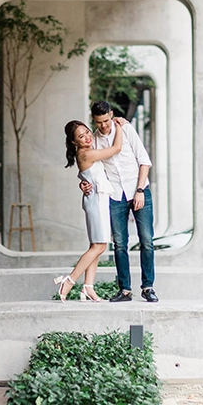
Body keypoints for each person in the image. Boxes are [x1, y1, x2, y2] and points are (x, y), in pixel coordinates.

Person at [82, 101, 158, 303]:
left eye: (106, 120)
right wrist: (83, 183)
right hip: (115, 195)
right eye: (99, 123)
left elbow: (144, 160)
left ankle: (148, 287)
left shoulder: (125, 129)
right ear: (94, 121)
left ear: (112, 115)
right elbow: (91, 167)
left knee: (147, 241)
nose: (104, 126)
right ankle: (125, 290)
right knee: (119, 244)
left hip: (138, 189)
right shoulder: (95, 140)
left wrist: (140, 190)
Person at [54, 118, 125, 302]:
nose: (86, 137)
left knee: (96, 246)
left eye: (87, 132)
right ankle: (69, 281)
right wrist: (119, 125)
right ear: (73, 141)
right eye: (81, 136)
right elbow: (116, 149)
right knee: (99, 246)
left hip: (97, 199)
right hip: (96, 202)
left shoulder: (87, 151)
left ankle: (88, 287)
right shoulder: (86, 154)